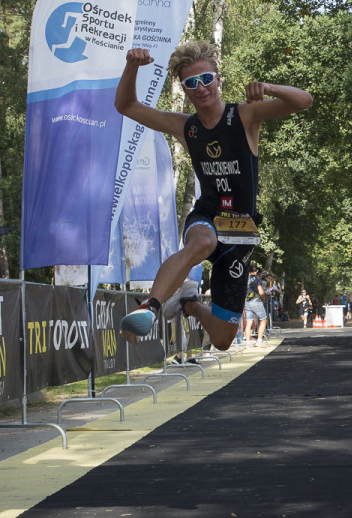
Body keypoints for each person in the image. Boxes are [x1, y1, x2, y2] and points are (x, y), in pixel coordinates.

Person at [114, 41, 312, 349]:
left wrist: (269, 87)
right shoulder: (185, 127)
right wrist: (131, 67)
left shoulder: (245, 116)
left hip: (240, 231)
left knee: (222, 339)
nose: (201, 88)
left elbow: (304, 101)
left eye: (206, 79)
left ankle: (189, 302)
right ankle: (150, 306)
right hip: (206, 216)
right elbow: (127, 106)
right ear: (184, 89)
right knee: (204, 242)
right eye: (191, 83)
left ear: (218, 80)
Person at [244, 264, 269, 346]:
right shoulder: (257, 278)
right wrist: (263, 297)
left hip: (246, 302)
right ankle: (259, 340)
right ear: (256, 271)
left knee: (249, 322)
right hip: (256, 300)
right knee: (263, 319)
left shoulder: (244, 278)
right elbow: (260, 291)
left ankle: (247, 341)